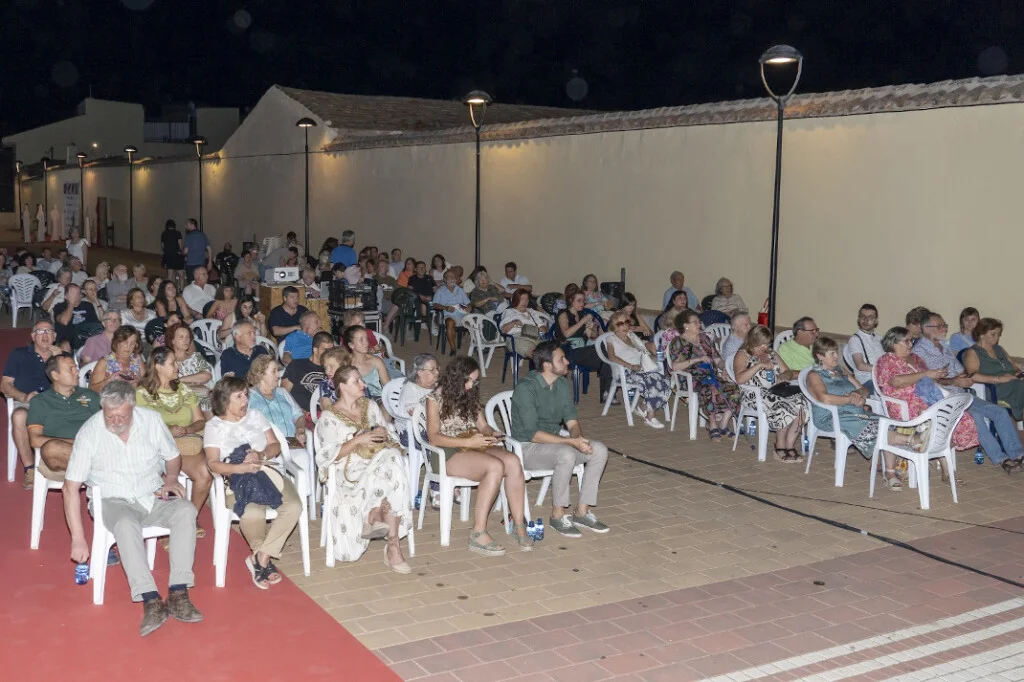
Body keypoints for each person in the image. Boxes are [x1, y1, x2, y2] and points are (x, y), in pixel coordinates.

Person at [63, 381, 202, 636]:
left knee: (186, 511)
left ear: (133, 408)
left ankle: (178, 592)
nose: (115, 420)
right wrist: (78, 539)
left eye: (122, 415)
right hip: (112, 499)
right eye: (109, 415)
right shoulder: (90, 432)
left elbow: (172, 456)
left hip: (152, 493)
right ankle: (150, 599)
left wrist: (171, 479)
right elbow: (70, 487)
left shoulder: (151, 420)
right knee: (126, 525)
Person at [203, 376, 302, 590]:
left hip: (268, 472)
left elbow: (274, 445)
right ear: (224, 401)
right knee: (253, 514)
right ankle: (261, 558)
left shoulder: (256, 416)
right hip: (238, 479)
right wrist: (241, 468)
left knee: (294, 506)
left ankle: (261, 558)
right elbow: (213, 464)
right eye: (238, 396)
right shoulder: (213, 426)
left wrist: (260, 454)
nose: (245, 400)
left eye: (246, 395)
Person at [427, 356, 532, 554]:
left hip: (473, 445)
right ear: (456, 378)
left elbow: (482, 425)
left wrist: (492, 433)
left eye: (475, 381)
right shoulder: (435, 399)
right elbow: (434, 438)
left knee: (512, 461)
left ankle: (518, 523)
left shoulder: (469, 395)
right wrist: (468, 442)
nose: (471, 385)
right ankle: (478, 532)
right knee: (494, 467)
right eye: (469, 380)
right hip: (447, 452)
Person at [315, 365, 413, 570]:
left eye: (361, 380)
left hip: (381, 461)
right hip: (349, 471)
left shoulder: (370, 406)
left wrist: (383, 434)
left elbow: (389, 433)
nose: (363, 384)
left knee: (392, 457)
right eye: (356, 381)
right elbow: (326, 456)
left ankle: (390, 540)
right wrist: (359, 440)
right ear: (342, 386)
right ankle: (376, 516)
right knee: (391, 466)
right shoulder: (329, 418)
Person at [511, 341, 610, 537]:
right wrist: (569, 443)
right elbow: (533, 434)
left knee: (599, 449)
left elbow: (572, 422)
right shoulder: (526, 388)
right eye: (561, 359)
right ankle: (557, 515)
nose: (567, 362)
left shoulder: (562, 384)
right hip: (526, 448)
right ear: (547, 365)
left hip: (554, 444)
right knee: (565, 453)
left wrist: (577, 439)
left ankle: (582, 511)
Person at [807, 337, 928, 491]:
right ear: (820, 356)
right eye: (832, 354)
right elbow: (823, 398)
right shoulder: (814, 375)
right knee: (871, 426)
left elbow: (862, 388)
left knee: (886, 422)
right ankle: (912, 440)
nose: (837, 357)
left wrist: (859, 395)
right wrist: (849, 399)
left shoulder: (841, 371)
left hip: (853, 412)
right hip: (831, 416)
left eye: (836, 352)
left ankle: (890, 472)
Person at [915, 312, 1024, 472]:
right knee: (977, 417)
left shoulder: (943, 347)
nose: (944, 328)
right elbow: (925, 382)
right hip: (943, 398)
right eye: (940, 326)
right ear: (926, 329)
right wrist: (954, 381)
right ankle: (1001, 459)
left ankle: (1017, 454)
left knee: (999, 412)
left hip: (962, 393)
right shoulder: (919, 352)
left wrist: (964, 378)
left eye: (944, 325)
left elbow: (961, 372)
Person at [875, 326, 977, 483]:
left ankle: (946, 470)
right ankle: (946, 471)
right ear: (893, 343)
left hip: (926, 399)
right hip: (904, 403)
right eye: (907, 341)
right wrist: (926, 374)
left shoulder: (915, 358)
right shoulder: (887, 360)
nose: (911, 344)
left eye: (912, 340)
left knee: (955, 417)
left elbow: (927, 381)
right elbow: (896, 381)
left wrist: (936, 375)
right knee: (941, 418)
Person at [136, 347, 212, 522]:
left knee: (204, 472)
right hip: (157, 447)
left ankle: (189, 517)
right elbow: (141, 426)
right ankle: (162, 519)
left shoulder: (183, 390)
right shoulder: (142, 393)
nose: (178, 366)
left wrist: (189, 429)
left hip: (185, 444)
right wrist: (168, 430)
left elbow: (200, 420)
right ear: (158, 366)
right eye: (172, 363)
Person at [4, 322, 65, 489]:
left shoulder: (63, 356)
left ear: (54, 336)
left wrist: (60, 360)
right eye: (40, 331)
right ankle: (29, 468)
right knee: (19, 416)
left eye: (49, 331)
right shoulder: (19, 354)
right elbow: (5, 384)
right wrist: (23, 396)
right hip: (28, 402)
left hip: (58, 403)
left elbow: (73, 387)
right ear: (33, 336)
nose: (45, 335)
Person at [733, 325, 806, 463]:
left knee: (802, 403)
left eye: (767, 343)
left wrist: (784, 376)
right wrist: (759, 366)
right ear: (753, 342)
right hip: (754, 394)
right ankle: (779, 446)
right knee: (783, 405)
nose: (765, 347)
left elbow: (786, 371)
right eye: (762, 344)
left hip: (776, 390)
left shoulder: (772, 354)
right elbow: (739, 379)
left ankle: (789, 445)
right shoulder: (743, 354)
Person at [669, 309, 741, 440]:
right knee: (709, 388)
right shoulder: (678, 342)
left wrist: (725, 368)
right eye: (695, 322)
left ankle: (723, 424)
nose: (699, 324)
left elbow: (718, 360)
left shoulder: (705, 339)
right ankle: (712, 423)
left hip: (711, 375)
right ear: (685, 325)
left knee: (735, 388)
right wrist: (698, 359)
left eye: (699, 321)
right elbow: (675, 366)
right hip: (691, 378)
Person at [27, 355, 101, 475]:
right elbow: (35, 440)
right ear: (55, 375)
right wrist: (77, 442)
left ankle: (101, 469)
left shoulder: (90, 395)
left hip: (95, 449)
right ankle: (103, 470)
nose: (76, 371)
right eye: (71, 369)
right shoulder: (40, 401)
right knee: (51, 449)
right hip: (66, 454)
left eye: (76, 368)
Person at [604, 311, 669, 428]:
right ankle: (650, 416)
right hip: (625, 371)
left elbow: (644, 347)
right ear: (614, 326)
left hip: (640, 370)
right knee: (651, 380)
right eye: (620, 323)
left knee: (663, 380)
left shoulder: (632, 337)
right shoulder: (611, 339)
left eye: (626, 322)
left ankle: (643, 407)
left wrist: (651, 347)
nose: (624, 325)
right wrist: (630, 366)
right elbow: (611, 357)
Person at [556, 289, 613, 403]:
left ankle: (606, 393)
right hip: (567, 351)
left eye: (583, 301)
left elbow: (590, 336)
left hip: (581, 350)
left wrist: (590, 328)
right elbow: (566, 334)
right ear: (571, 301)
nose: (582, 303)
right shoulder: (563, 314)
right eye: (579, 301)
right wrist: (582, 322)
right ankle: (607, 393)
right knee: (604, 351)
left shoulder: (582, 314)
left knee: (607, 355)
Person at [962, 317, 1024, 422]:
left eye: (998, 334)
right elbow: (972, 375)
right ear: (981, 335)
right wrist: (999, 378)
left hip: (1011, 383)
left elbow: (1014, 367)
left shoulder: (999, 349)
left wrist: (1018, 373)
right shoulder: (973, 352)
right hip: (993, 388)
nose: (997, 338)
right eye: (993, 334)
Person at [247, 355, 307, 448]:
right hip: (267, 447)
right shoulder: (249, 396)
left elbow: (299, 415)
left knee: (303, 458)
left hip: (292, 444)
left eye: (277, 371)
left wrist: (300, 430)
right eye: (273, 371)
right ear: (260, 374)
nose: (278, 375)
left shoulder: (282, 392)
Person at [166, 323, 214, 412]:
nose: (186, 340)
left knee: (210, 405)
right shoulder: (167, 361)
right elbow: (167, 383)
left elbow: (206, 376)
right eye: (181, 337)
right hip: (178, 399)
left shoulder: (196, 357)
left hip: (201, 397)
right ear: (172, 340)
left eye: (188, 337)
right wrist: (195, 381)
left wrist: (181, 380)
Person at [283, 331, 333, 411]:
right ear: (315, 350)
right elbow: (283, 394)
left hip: (325, 414)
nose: (329, 353)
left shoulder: (332, 370)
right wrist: (296, 411)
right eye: (325, 350)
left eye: (331, 350)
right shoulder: (297, 365)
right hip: (300, 413)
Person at [395, 354, 438, 446]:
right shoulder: (411, 388)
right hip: (412, 432)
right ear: (420, 372)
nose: (437, 372)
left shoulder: (437, 387)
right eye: (432, 370)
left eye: (437, 369)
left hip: (432, 428)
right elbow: (416, 413)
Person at [90, 325, 146, 391]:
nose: (129, 346)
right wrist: (108, 381)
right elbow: (91, 389)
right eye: (125, 342)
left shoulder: (137, 358)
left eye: (132, 343)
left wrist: (138, 382)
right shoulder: (105, 362)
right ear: (117, 342)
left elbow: (146, 381)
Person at [342, 325, 388, 400]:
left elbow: (388, 386)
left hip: (377, 400)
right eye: (361, 340)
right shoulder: (345, 363)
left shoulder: (376, 361)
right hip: (354, 400)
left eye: (366, 338)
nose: (366, 343)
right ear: (351, 345)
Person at [501, 289, 549, 359]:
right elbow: (503, 330)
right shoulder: (509, 312)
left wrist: (543, 328)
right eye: (522, 299)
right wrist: (513, 322)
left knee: (549, 351)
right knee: (536, 354)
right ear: (516, 299)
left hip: (535, 336)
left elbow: (544, 328)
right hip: (517, 338)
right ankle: (543, 367)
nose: (525, 302)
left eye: (527, 299)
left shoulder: (532, 312)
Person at [845, 304, 884, 390]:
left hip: (882, 378)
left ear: (876, 321)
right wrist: (884, 369)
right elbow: (860, 365)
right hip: (867, 381)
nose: (866, 320)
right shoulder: (855, 339)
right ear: (858, 319)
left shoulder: (880, 339)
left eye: (870, 317)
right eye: (863, 316)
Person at [432, 270, 470, 355]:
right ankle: (453, 348)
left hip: (462, 313)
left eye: (454, 276)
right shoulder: (440, 291)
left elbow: (468, 303)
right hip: (448, 314)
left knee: (475, 321)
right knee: (450, 322)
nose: (453, 278)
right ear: (445, 280)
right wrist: (445, 307)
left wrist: (468, 308)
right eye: (450, 276)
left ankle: (478, 347)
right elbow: (434, 305)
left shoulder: (460, 290)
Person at [53, 283, 100, 351]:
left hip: (86, 338)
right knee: (65, 345)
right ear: (66, 296)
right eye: (73, 294)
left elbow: (95, 325)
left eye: (78, 293)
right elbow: (64, 321)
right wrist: (71, 303)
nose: (76, 296)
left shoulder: (88, 306)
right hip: (68, 341)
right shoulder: (59, 307)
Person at [161, 219, 185, 289]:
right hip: (177, 256)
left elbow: (163, 246)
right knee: (181, 274)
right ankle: (181, 290)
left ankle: (171, 289)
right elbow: (180, 245)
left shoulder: (164, 234)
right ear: (174, 226)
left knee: (170, 275)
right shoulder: (178, 233)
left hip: (168, 256)